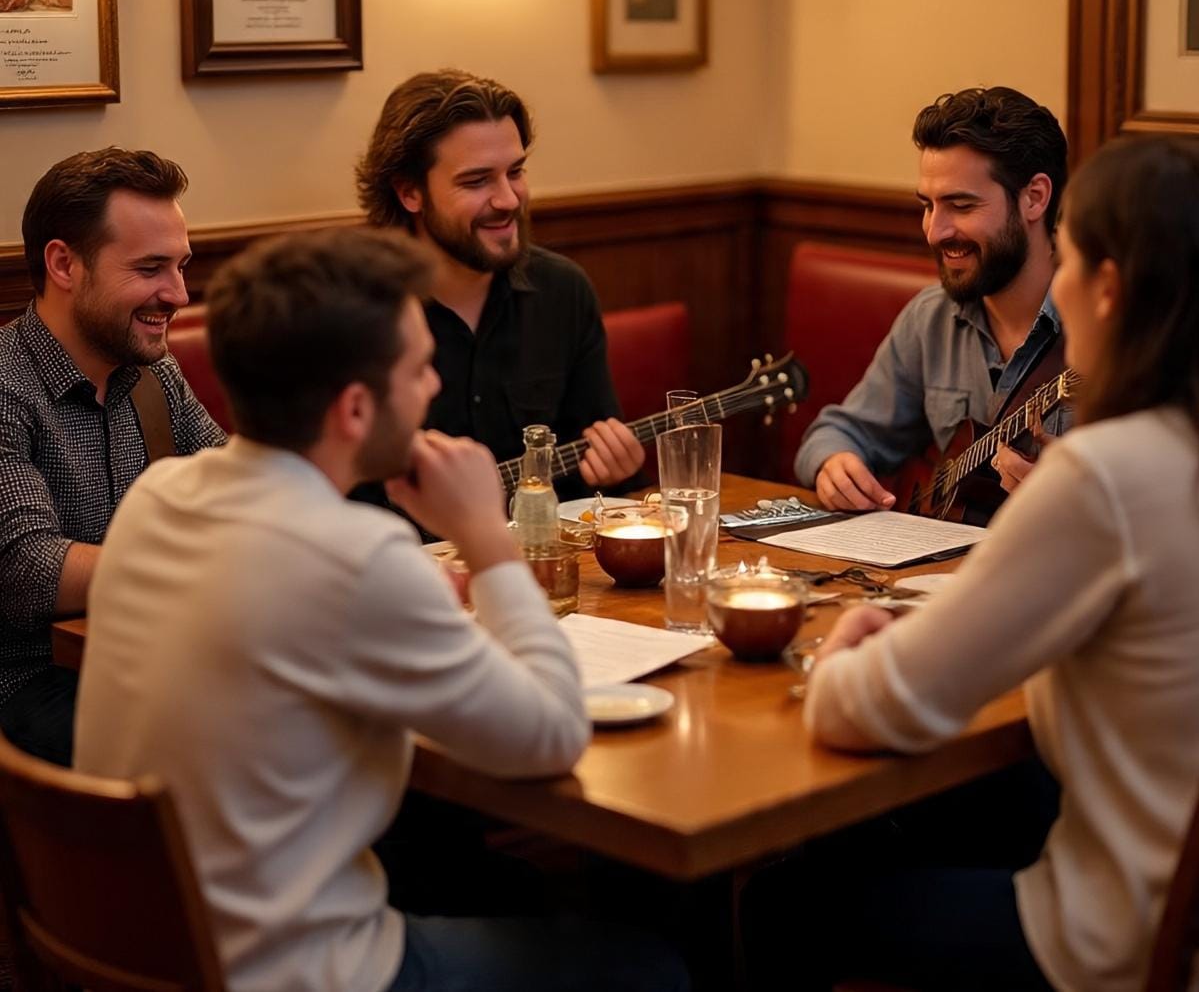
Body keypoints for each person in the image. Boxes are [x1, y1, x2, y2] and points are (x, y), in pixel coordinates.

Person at [73, 228, 687, 992]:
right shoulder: (356, 554)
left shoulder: (158, 497)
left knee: (495, 885)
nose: (433, 386)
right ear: (357, 409)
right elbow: (554, 734)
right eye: (419, 367)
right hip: (295, 972)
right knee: (653, 966)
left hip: (132, 949)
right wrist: (486, 538)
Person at [786, 136, 1199, 991]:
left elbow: (865, 707)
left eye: (1071, 258)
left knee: (793, 897)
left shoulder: (1107, 475)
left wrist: (847, 645)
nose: (1059, 284)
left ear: (1109, 288)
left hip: (1124, 947)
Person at [0, 148, 225, 767]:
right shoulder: (6, 384)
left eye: (180, 266)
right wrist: (201, 559)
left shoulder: (153, 370)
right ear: (64, 264)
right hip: (30, 684)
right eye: (151, 268)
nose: (178, 293)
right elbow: (29, 571)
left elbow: (244, 485)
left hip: (151, 656)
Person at [356, 69, 645, 503]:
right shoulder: (355, 314)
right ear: (410, 192)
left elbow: (594, 476)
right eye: (477, 181)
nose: (509, 199)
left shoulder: (563, 290)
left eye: (516, 171)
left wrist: (615, 471)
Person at [794, 86, 1071, 521]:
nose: (934, 231)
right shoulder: (931, 318)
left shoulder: (1110, 329)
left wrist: (1080, 501)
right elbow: (839, 432)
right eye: (928, 205)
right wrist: (835, 463)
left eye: (961, 205)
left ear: (1034, 198)